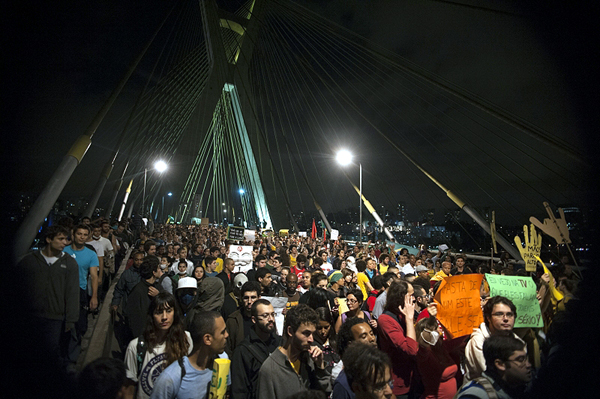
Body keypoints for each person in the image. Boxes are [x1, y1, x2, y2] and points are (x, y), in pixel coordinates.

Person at [18, 225, 79, 370]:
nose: (65, 242)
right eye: (61, 239)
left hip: (55, 317)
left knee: (51, 350)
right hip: (32, 315)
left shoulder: (69, 263)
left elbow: (72, 292)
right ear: (48, 239)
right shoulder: (29, 261)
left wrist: (71, 319)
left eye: (66, 239)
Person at [124, 293, 192, 399]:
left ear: (175, 313)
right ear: (152, 316)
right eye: (159, 312)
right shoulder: (136, 346)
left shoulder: (186, 339)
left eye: (169, 311)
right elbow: (128, 389)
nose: (164, 317)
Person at [150, 311, 230, 399]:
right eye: (222, 332)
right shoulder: (170, 378)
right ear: (207, 339)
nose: (227, 335)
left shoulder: (222, 364)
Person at [257, 304, 331, 398]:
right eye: (306, 333)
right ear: (290, 331)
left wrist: (320, 367)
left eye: (313, 334)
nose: (311, 339)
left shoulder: (309, 359)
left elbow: (325, 392)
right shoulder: (270, 370)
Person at [63, 224, 100, 368]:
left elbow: (94, 276)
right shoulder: (63, 251)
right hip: (63, 291)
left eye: (85, 234)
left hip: (80, 292)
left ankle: (72, 358)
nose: (82, 237)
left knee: (78, 325)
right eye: (79, 234)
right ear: (73, 234)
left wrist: (94, 297)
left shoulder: (91, 254)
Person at [464, 296, 524, 384]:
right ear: (488, 318)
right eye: (499, 314)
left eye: (509, 314)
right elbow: (492, 374)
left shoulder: (517, 341)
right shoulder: (478, 341)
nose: (506, 319)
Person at [231, 299, 281, 399]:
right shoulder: (243, 351)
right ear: (254, 320)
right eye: (265, 316)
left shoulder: (280, 343)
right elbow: (239, 390)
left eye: (272, 314)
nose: (271, 319)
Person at [377, 280, 419, 398]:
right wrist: (409, 320)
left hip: (413, 379)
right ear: (401, 297)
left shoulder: (403, 314)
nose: (414, 299)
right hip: (399, 385)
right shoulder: (385, 320)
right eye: (411, 295)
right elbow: (411, 350)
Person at [455, 335, 532, 399]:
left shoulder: (519, 389)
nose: (528, 365)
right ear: (500, 364)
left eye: (527, 359)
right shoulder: (476, 395)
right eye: (520, 360)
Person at [415, 316, 460, 399]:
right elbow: (423, 344)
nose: (439, 331)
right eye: (435, 330)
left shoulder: (441, 347)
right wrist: (431, 317)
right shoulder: (423, 354)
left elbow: (459, 339)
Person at [124, 259, 164, 338]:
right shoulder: (138, 291)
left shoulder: (158, 287)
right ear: (154, 272)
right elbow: (135, 318)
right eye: (158, 268)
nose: (160, 270)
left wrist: (158, 296)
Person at [225, 281, 261, 356]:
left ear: (259, 298)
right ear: (241, 298)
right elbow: (227, 348)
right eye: (246, 298)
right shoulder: (233, 320)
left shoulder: (265, 318)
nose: (249, 301)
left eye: (253, 297)